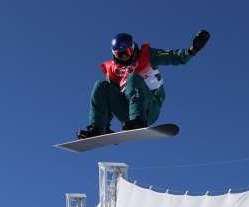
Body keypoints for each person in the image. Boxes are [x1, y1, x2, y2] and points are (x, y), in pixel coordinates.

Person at [77, 30, 211, 138]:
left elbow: (174, 56)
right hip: (127, 112)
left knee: (133, 77)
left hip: (149, 109)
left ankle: (138, 121)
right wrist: (104, 124)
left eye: (127, 52)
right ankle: (98, 128)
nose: (124, 57)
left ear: (133, 48)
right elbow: (107, 99)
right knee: (100, 86)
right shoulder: (114, 70)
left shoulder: (148, 56)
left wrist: (192, 50)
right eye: (120, 54)